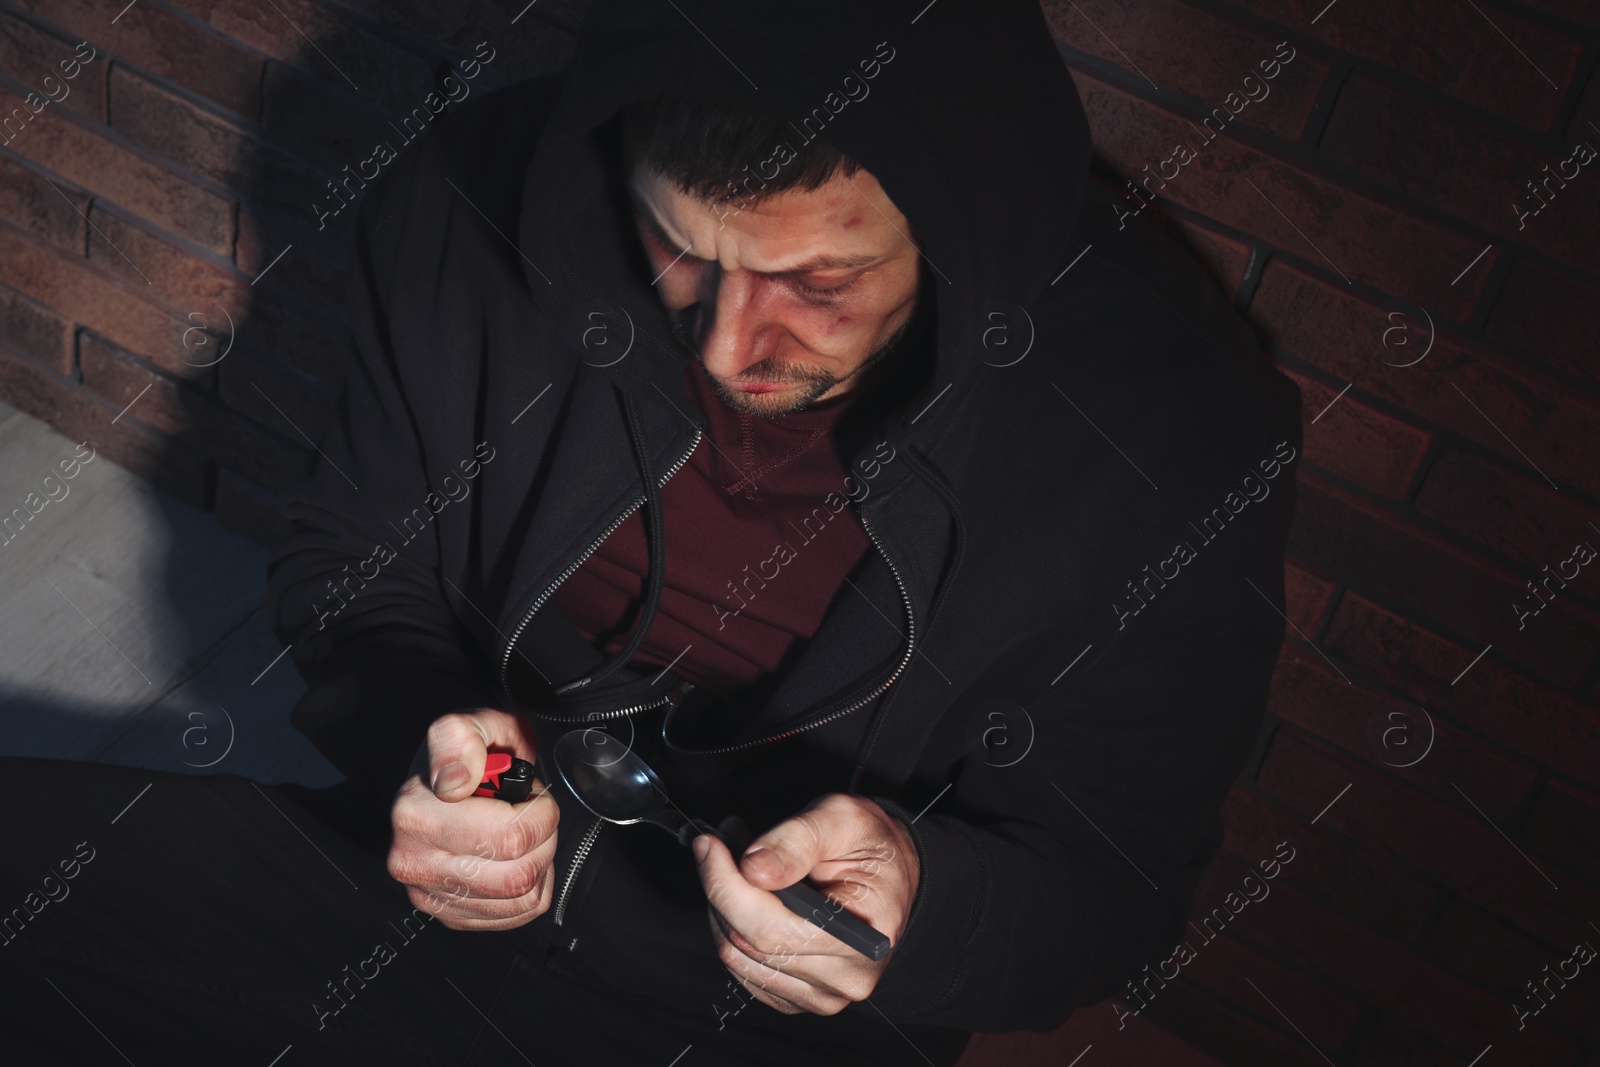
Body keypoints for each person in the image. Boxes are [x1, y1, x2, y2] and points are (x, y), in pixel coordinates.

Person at [0, 0, 1301, 1064]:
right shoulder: (480, 196)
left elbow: (1112, 890)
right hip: (444, 881)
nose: (732, 346)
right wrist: (429, 741)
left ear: (966, 235)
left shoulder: (1179, 436)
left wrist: (927, 909)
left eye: (817, 283)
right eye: (682, 251)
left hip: (783, 1006)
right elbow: (353, 565)